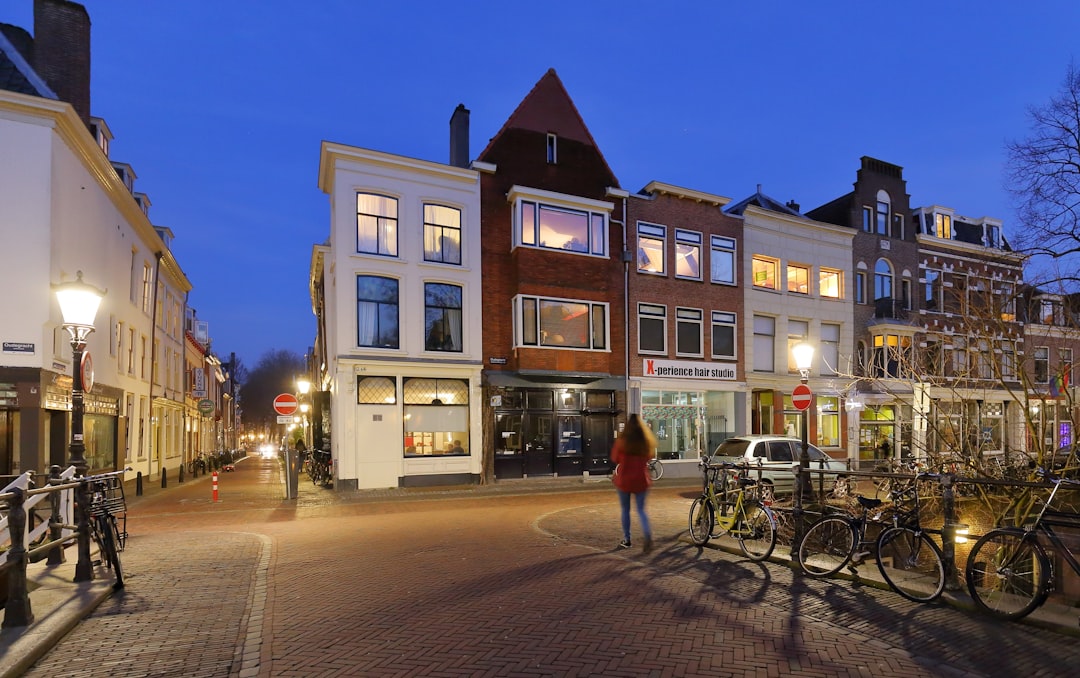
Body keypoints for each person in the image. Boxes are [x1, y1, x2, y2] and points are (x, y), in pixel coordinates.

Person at [611, 413, 657, 553]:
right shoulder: (645, 442)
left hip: (625, 479)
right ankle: (647, 535)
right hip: (641, 479)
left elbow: (615, 457)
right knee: (641, 510)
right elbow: (650, 457)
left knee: (625, 510)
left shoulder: (622, 441)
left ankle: (627, 539)